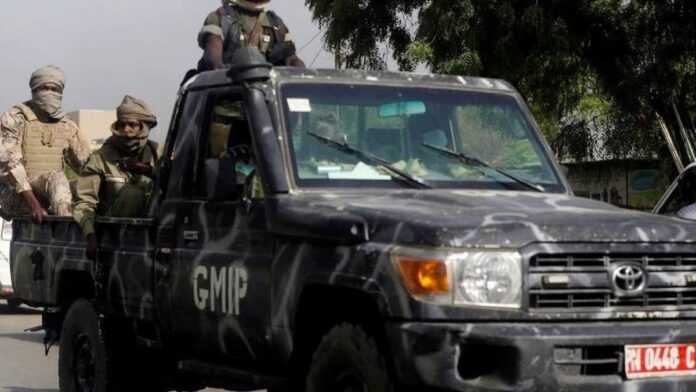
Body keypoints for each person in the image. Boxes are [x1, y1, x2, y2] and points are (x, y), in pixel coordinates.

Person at [0, 65, 91, 223]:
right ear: (34, 91)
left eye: (54, 89)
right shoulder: (15, 118)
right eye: (44, 88)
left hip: (54, 193)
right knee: (58, 179)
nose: (49, 93)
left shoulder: (66, 125)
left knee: (91, 186)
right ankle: (66, 234)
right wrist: (33, 204)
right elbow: (8, 165)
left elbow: (87, 165)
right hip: (18, 195)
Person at [73, 96, 160, 260]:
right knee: (133, 194)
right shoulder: (101, 158)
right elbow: (85, 203)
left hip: (153, 238)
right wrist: (90, 236)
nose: (126, 129)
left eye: (133, 125)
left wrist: (150, 171)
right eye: (122, 124)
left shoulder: (158, 153)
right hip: (114, 238)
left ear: (144, 126)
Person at [197, 0, 305, 71]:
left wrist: (302, 73)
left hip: (267, 95)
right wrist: (223, 69)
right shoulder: (221, 17)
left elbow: (291, 59)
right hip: (228, 95)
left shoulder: (275, 23)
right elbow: (213, 56)